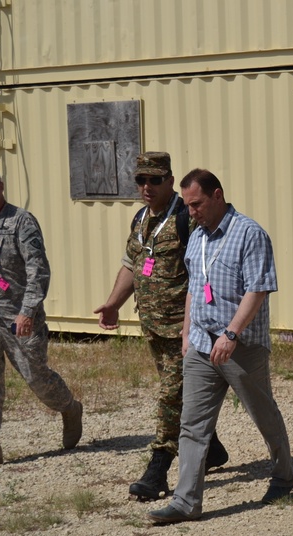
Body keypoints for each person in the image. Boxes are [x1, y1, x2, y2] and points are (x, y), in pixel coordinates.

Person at [148, 169, 293, 524]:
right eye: (187, 205)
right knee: (192, 423)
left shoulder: (249, 234)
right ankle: (186, 502)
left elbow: (257, 288)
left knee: (262, 414)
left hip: (240, 344)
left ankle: (283, 476)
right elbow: (194, 291)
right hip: (200, 344)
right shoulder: (196, 238)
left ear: (217, 196)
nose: (191, 212)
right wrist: (186, 334)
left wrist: (231, 334)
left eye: (196, 204)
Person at [94, 152, 229, 501]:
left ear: (170, 181)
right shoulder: (141, 219)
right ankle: (211, 449)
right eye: (141, 180)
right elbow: (132, 263)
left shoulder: (187, 217)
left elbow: (205, 266)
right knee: (180, 394)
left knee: (170, 396)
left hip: (184, 330)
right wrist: (113, 303)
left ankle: (157, 470)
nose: (147, 187)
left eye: (154, 180)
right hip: (154, 327)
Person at [0, 165, 82, 471]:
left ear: (1, 186)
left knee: (36, 376)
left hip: (19, 317)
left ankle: (69, 407)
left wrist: (27, 311)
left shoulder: (21, 221)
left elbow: (37, 270)